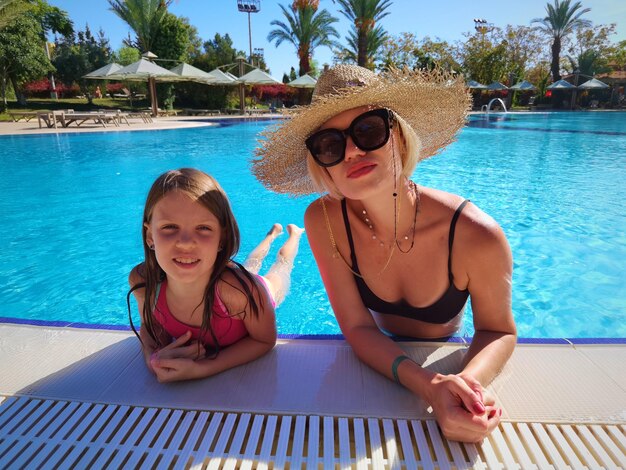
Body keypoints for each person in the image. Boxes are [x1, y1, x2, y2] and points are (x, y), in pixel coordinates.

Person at [252, 65, 517, 443]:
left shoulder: (474, 234)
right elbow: (358, 328)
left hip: (447, 347)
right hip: (383, 352)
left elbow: (498, 330)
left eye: (368, 129)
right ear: (320, 162)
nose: (353, 151)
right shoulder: (325, 220)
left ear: (399, 134)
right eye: (330, 144)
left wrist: (466, 387)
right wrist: (430, 387)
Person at [128, 168, 304, 383]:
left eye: (203, 228)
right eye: (169, 227)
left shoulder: (243, 294)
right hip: (231, 278)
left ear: (222, 238)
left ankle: (294, 235)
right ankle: (271, 235)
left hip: (257, 287)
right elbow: (150, 326)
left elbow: (264, 341)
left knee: (281, 266)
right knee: (252, 263)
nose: (185, 242)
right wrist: (153, 358)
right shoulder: (144, 281)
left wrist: (202, 368)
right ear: (149, 235)